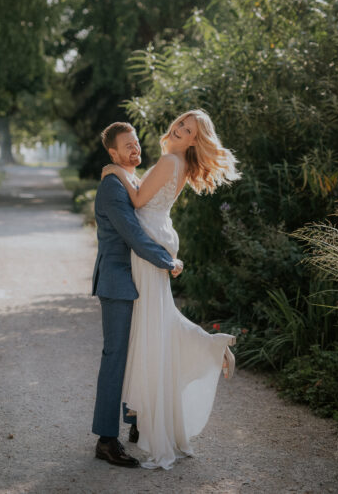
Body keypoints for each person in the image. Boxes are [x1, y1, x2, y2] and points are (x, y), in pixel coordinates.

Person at [101, 108, 241, 470]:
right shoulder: (179, 163)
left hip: (150, 245)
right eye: (180, 122)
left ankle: (211, 348)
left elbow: (136, 201)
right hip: (159, 236)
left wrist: (115, 171)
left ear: (195, 140)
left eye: (187, 129)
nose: (179, 128)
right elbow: (146, 198)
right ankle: (211, 348)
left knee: (153, 325)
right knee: (157, 320)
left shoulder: (168, 161)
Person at [91, 121, 184, 468]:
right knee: (116, 356)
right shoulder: (112, 187)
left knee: (138, 352)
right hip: (117, 282)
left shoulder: (130, 180)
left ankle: (135, 422)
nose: (135, 149)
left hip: (137, 279)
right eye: (127, 146)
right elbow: (133, 234)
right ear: (112, 152)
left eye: (136, 143)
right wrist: (167, 260)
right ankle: (105, 440)